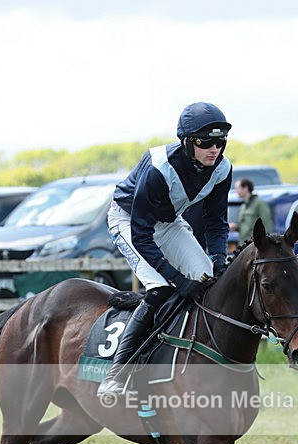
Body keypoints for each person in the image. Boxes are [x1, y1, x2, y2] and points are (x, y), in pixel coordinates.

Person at [97, 101, 232, 396]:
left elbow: (216, 222)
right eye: (205, 141)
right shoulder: (160, 167)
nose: (214, 149)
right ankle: (116, 375)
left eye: (220, 141)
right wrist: (177, 279)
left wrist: (219, 259)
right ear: (186, 142)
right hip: (129, 220)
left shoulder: (222, 168)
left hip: (170, 222)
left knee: (211, 284)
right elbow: (142, 234)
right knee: (161, 289)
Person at [229, 178, 273, 243]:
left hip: (255, 245)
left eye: (238, 188)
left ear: (245, 188)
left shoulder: (260, 203)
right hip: (243, 245)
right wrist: (236, 227)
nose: (236, 191)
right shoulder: (243, 206)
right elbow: (245, 226)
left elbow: (267, 224)